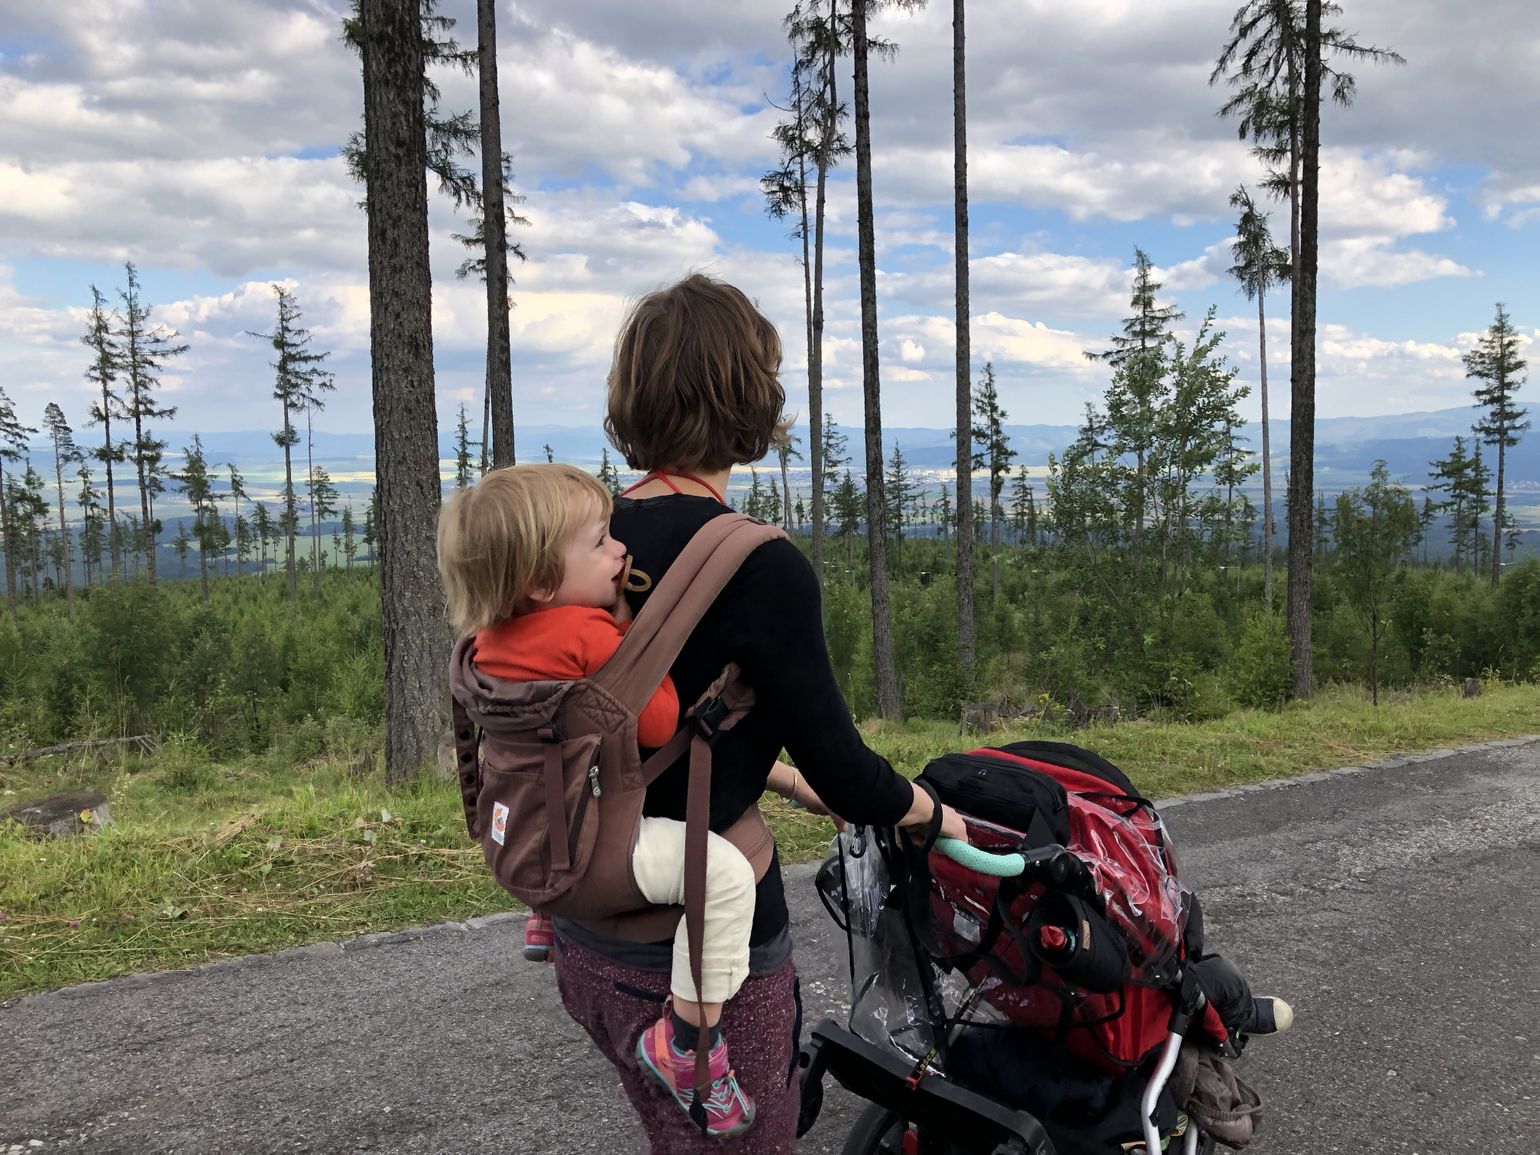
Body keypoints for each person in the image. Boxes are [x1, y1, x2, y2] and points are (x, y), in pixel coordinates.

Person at [550, 272, 966, 1153]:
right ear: (749, 394)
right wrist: (934, 813)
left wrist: (773, 771)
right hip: (700, 946)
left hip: (584, 925)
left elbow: (644, 718)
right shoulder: (760, 566)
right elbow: (850, 772)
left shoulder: (586, 542)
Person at [437, 462, 822, 1138]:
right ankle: (685, 1039)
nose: (621, 552)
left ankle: (546, 910)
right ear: (541, 581)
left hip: (526, 836)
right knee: (724, 875)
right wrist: (627, 628)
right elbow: (658, 722)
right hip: (594, 850)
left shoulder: (485, 642)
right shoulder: (585, 633)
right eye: (600, 543)